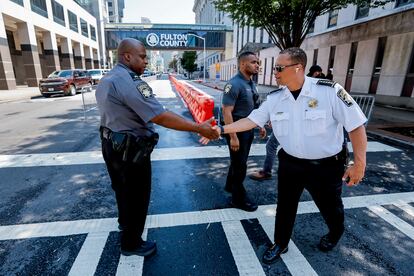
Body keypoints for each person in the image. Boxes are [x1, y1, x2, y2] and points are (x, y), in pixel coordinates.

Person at [203, 47, 367, 264]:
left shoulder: (329, 91)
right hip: (291, 163)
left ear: (298, 68)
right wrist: (223, 130)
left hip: (326, 166)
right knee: (285, 206)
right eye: (274, 68)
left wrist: (359, 164)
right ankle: (280, 242)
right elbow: (252, 120)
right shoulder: (275, 98)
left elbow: (356, 126)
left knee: (331, 207)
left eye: (279, 68)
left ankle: (334, 233)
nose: (274, 72)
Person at [95, 38, 219, 257]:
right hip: (130, 151)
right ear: (127, 56)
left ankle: (125, 224)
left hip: (111, 143)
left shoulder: (109, 77)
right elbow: (160, 115)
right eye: (142, 57)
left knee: (122, 191)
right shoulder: (130, 81)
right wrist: (198, 128)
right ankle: (131, 243)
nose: (145, 61)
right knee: (137, 195)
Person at [221, 51, 264, 212]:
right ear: (242, 64)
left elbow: (255, 106)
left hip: (248, 129)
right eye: (254, 62)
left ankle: (230, 186)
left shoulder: (251, 83)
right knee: (240, 166)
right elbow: (227, 112)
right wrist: (233, 136)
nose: (257, 65)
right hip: (237, 131)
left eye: (258, 62)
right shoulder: (234, 84)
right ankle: (238, 199)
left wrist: (260, 125)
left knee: (238, 161)